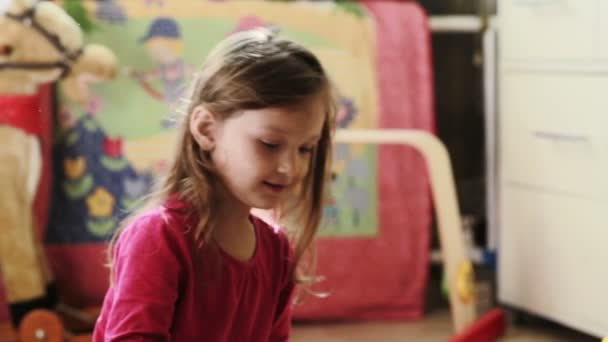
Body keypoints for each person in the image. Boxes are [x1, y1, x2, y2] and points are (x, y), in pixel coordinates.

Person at [93, 27, 336, 341]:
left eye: (305, 149)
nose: (290, 167)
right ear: (206, 129)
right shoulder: (159, 237)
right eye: (270, 144)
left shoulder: (277, 252)